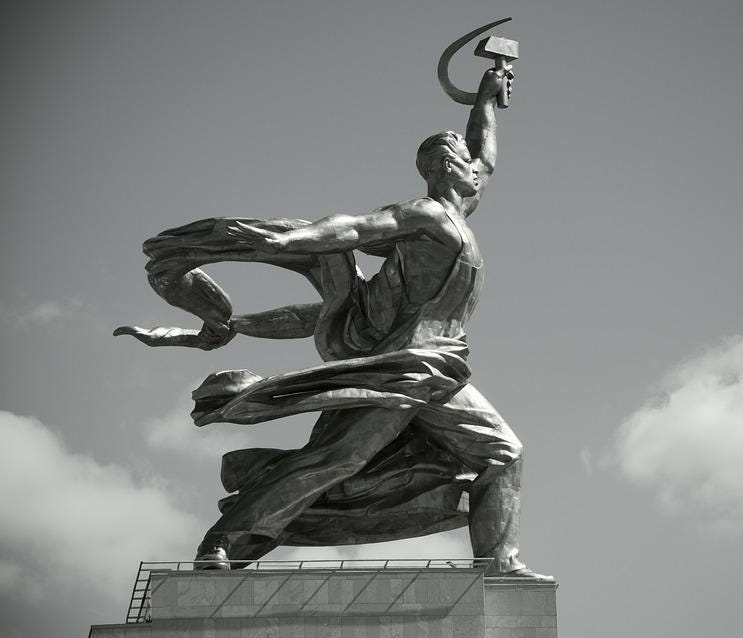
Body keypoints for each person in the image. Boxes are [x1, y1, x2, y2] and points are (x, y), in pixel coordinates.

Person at [116, 67, 548, 579]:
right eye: (464, 161)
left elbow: (487, 156)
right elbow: (355, 226)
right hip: (402, 370)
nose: (477, 169)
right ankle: (226, 540)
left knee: (504, 452)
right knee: (338, 459)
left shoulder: (461, 208)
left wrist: (487, 99)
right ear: (444, 167)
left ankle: (499, 565)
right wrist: (286, 242)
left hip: (442, 372)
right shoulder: (424, 216)